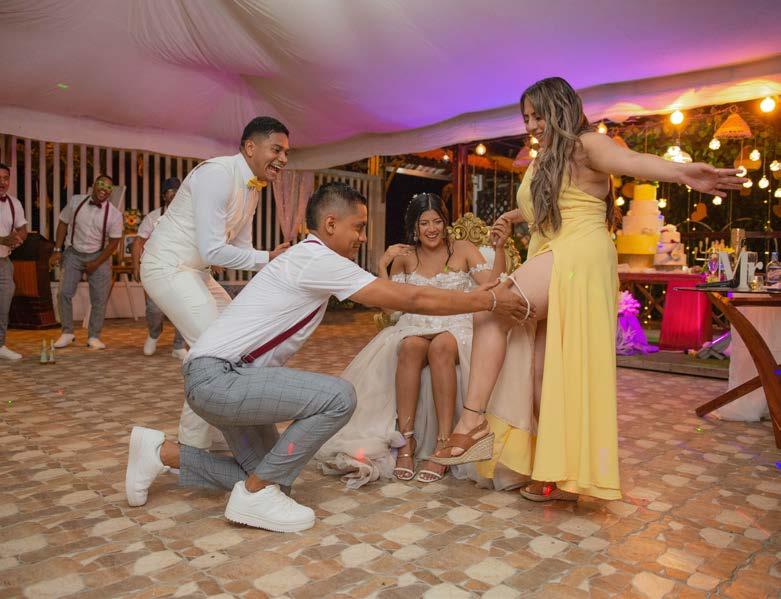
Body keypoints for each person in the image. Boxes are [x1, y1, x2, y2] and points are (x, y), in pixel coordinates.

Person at [125, 182, 530, 533]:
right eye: (358, 227)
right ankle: (255, 495)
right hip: (221, 379)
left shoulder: (308, 258)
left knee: (272, 473)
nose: (361, 237)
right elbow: (411, 298)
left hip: (222, 379)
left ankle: (160, 454)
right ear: (331, 224)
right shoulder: (317, 258)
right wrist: (487, 300)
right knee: (339, 396)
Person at [431, 76, 743, 503]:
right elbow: (557, 201)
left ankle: (472, 421)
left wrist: (683, 173)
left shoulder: (587, 144)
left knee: (492, 307)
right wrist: (514, 216)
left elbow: (633, 161)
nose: (531, 126)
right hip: (555, 252)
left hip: (579, 254)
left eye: (538, 116)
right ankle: (559, 473)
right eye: (526, 118)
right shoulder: (547, 158)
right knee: (543, 373)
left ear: (559, 108)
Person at [315, 192, 517, 487]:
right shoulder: (405, 257)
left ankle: (445, 442)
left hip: (456, 325)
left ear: (445, 223)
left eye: (437, 221)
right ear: (414, 226)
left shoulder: (463, 249)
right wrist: (383, 266)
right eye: (424, 223)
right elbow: (391, 310)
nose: (431, 229)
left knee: (442, 346)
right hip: (414, 325)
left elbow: (492, 287)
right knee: (410, 346)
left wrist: (498, 249)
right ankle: (405, 440)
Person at [141, 116, 291, 450]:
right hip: (167, 266)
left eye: (286, 153)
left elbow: (243, 249)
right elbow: (213, 250)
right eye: (276, 150)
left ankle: (213, 432)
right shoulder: (217, 174)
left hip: (196, 272)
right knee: (214, 350)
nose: (283, 159)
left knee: (236, 346)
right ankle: (190, 446)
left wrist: (278, 269)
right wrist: (268, 258)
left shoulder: (253, 188)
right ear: (250, 147)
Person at [49, 175, 123, 350]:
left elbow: (114, 243)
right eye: (101, 184)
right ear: (93, 185)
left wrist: (96, 262)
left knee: (99, 299)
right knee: (64, 293)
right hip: (73, 253)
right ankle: (67, 332)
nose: (104, 189)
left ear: (111, 192)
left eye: (108, 187)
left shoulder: (114, 214)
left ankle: (94, 336)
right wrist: (57, 250)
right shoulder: (76, 201)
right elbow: (63, 223)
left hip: (99, 255)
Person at [132, 177, 187, 360]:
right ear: (164, 196)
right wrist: (135, 266)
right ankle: (154, 334)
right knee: (154, 309)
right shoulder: (153, 216)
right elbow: (139, 241)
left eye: (177, 192)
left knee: (184, 308)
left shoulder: (191, 216)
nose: (174, 195)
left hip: (182, 269)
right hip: (157, 270)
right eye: (170, 192)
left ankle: (178, 346)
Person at [0, 163, 27, 361]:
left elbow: (23, 229)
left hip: (3, 261)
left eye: (5, 178)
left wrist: (18, 239)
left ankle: (0, 345)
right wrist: (3, 240)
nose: (2, 182)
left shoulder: (14, 203)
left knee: (3, 306)